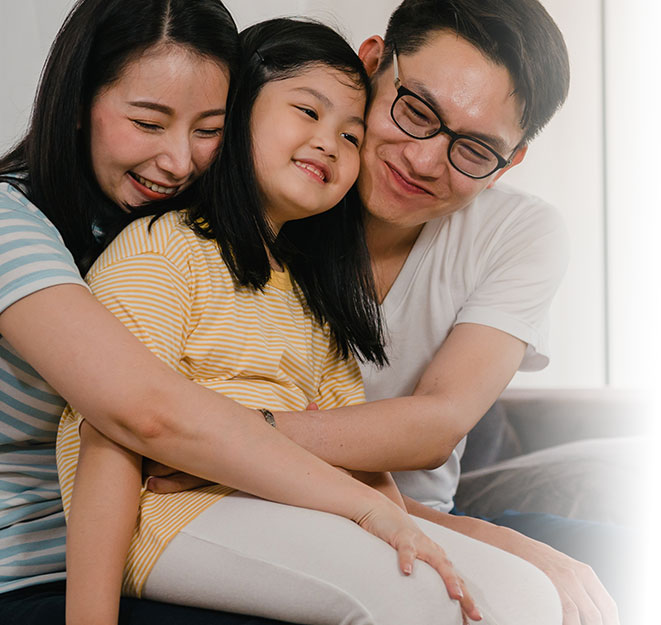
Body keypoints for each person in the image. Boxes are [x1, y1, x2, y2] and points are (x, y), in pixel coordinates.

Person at [56, 17, 562, 625]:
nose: (425, 160)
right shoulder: (162, 251)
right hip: (166, 512)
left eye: (349, 135)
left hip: (295, 503)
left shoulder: (311, 293)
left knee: (528, 596)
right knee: (412, 597)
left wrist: (396, 521)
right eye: (417, 112)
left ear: (508, 162)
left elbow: (376, 463)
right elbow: (110, 434)